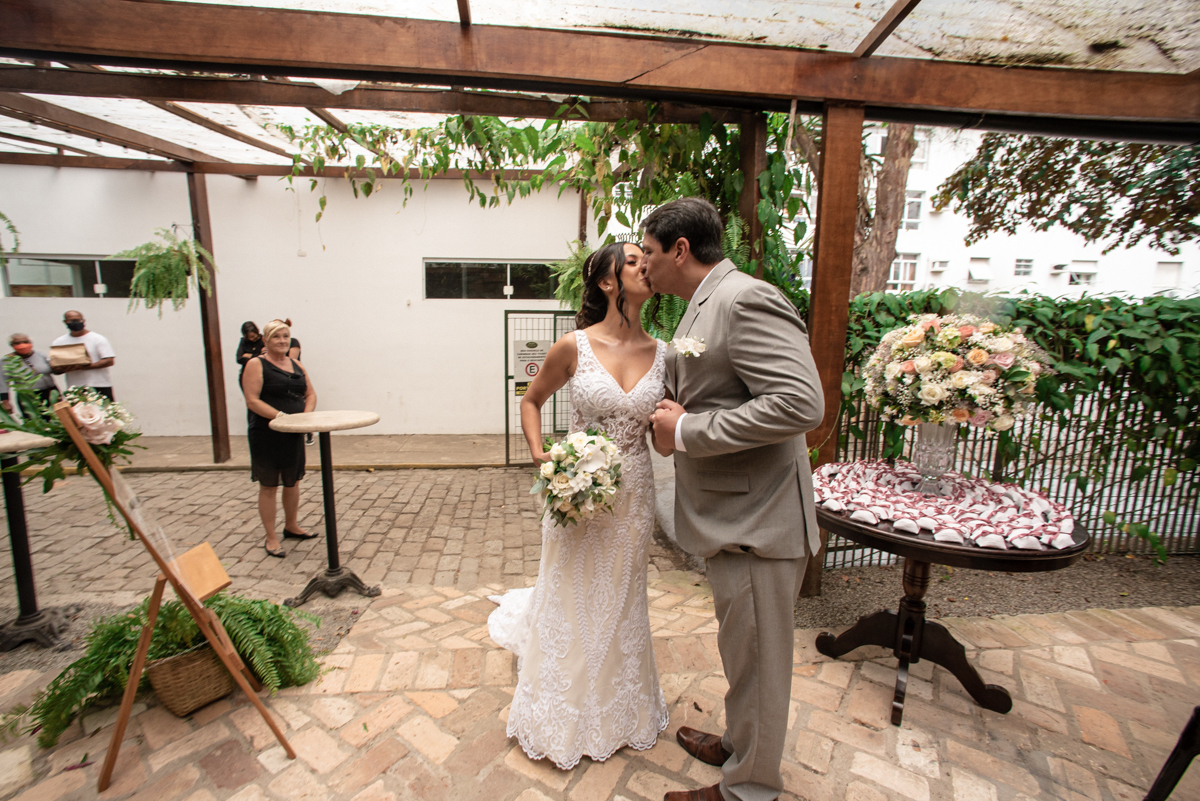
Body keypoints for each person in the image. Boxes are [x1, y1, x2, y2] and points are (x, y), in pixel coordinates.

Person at [644, 198, 824, 801]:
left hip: (761, 519)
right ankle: (740, 744)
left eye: (648, 252)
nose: (643, 265)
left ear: (679, 249)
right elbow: (720, 389)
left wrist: (687, 432)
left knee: (761, 661)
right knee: (742, 649)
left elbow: (800, 403)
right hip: (732, 514)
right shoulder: (701, 304)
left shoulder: (745, 298)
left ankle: (748, 787)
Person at [488, 241, 670, 769]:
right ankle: (561, 711)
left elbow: (660, 440)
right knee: (570, 595)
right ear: (609, 282)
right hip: (577, 497)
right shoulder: (573, 346)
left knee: (620, 600)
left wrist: (673, 427)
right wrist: (540, 452)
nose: (645, 266)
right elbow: (530, 399)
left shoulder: (665, 354)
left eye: (645, 259)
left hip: (634, 495)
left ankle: (619, 709)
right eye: (633, 261)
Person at [242, 319, 318, 558]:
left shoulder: (296, 364)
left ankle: (291, 526)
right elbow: (252, 400)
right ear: (265, 340)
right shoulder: (256, 364)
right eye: (276, 337)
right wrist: (281, 417)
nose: (282, 341)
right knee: (269, 485)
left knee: (292, 481)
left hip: (292, 433)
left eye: (285, 336)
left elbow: (310, 393)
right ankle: (271, 537)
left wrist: (304, 419)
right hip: (267, 433)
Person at [50, 310, 116, 400]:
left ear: (83, 321)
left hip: (99, 385)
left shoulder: (97, 339)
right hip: (74, 387)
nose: (75, 323)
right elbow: (55, 367)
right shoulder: (59, 342)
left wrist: (84, 366)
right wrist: (63, 368)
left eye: (78, 320)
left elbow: (109, 360)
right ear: (65, 322)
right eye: (71, 321)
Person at [1, 334, 56, 413]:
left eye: (25, 342)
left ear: (31, 343)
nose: (22, 345)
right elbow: (3, 382)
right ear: (12, 345)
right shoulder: (7, 360)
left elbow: (54, 369)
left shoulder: (40, 355)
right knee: (36, 422)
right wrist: (5, 402)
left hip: (50, 393)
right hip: (28, 398)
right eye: (17, 343)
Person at [235, 321, 264, 387]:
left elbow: (265, 358)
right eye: (249, 337)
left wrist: (250, 356)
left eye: (253, 336)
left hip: (260, 374)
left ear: (257, 331)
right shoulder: (244, 341)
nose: (252, 339)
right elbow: (239, 359)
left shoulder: (263, 340)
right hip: (246, 374)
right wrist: (257, 355)